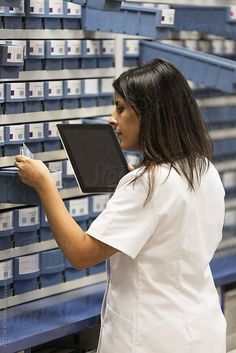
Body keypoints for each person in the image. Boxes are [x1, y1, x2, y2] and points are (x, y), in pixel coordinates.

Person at [15, 59, 226, 353]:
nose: (112, 118)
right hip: (201, 330)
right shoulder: (203, 170)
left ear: (152, 115)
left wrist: (45, 185)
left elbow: (81, 253)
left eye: (121, 108)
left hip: (151, 339)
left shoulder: (147, 184)